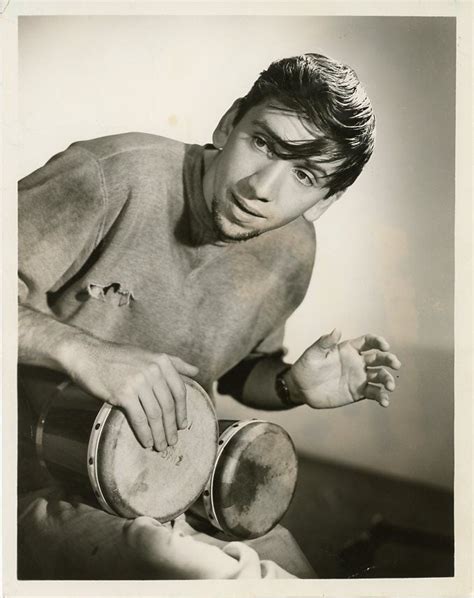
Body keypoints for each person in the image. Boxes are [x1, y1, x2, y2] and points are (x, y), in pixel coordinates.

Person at [17, 53, 401, 579]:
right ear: (229, 121)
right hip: (30, 477)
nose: (262, 188)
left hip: (167, 484)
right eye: (263, 143)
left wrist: (291, 385)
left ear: (326, 199)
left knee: (294, 573)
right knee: (197, 572)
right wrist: (85, 352)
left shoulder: (292, 251)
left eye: (305, 174)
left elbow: (243, 370)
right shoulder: (110, 175)